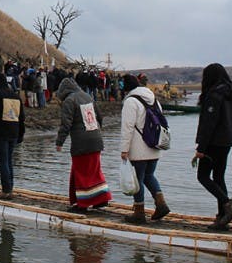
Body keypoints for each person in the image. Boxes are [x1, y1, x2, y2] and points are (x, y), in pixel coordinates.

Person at [193, 62, 232, 230]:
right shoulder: (231, 92)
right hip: (227, 141)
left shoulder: (214, 94)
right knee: (219, 177)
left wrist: (201, 148)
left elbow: (209, 123)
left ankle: (228, 205)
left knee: (203, 176)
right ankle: (223, 217)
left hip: (213, 142)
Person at [55, 77, 111, 212]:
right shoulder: (87, 96)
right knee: (94, 171)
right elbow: (100, 116)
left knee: (81, 173)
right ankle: (101, 199)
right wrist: (98, 131)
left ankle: (83, 204)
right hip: (96, 139)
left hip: (82, 143)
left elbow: (66, 124)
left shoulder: (69, 101)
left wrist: (59, 142)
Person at [119, 73, 169, 223]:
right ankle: (161, 205)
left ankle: (139, 212)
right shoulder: (153, 99)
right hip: (154, 145)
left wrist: (124, 149)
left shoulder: (130, 101)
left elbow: (127, 127)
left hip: (139, 148)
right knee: (149, 175)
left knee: (138, 179)